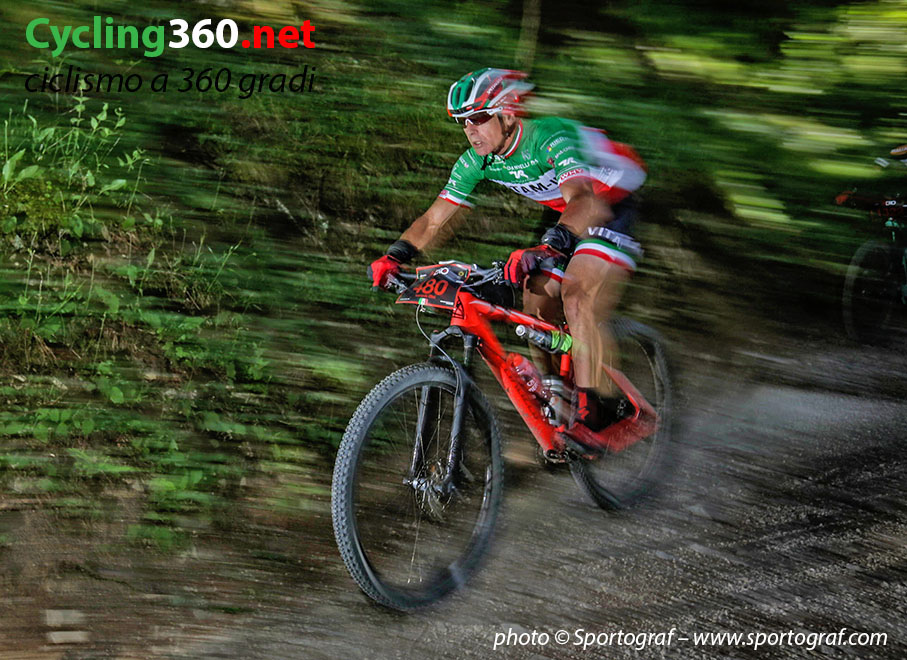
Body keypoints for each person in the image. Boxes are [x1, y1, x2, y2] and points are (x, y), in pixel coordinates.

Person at [367, 68, 647, 454]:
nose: (470, 130)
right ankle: (556, 393)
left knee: (576, 295)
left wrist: (547, 248)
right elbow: (433, 220)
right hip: (565, 211)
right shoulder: (477, 161)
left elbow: (583, 199)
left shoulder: (549, 136)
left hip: (607, 202)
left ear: (508, 114)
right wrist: (394, 256)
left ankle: (592, 411)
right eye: (463, 122)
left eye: (479, 117)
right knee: (535, 297)